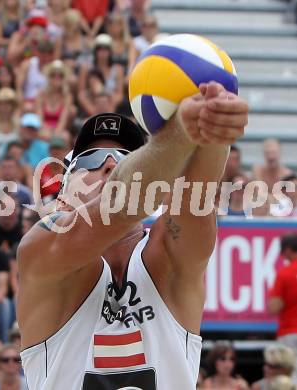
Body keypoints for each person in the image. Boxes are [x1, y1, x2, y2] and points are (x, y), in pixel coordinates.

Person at [17, 81, 248, 388]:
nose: (111, 164)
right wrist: (179, 134)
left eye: (125, 157)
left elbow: (198, 191)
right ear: (62, 198)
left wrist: (214, 126)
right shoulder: (41, 246)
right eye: (90, 159)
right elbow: (123, 202)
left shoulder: (167, 251)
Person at [268, 232, 297, 382]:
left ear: (287, 250)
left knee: (287, 379)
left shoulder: (285, 273)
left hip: (289, 332)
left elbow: (274, 307)